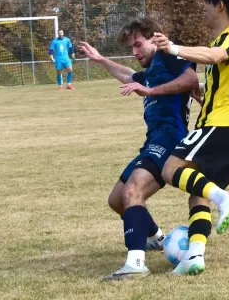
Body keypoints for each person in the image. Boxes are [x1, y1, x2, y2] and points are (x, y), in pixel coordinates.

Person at [78, 17, 202, 280]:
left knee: (133, 190)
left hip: (170, 138)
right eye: (131, 47)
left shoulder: (168, 56)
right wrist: (100, 60)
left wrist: (151, 91)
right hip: (153, 140)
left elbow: (191, 79)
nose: (134, 52)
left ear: (154, 38)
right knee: (116, 200)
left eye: (138, 44)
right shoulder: (153, 69)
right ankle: (156, 237)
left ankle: (135, 263)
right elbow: (128, 75)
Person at [152, 0, 229, 277]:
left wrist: (173, 48)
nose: (203, 9)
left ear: (219, 5)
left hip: (225, 126)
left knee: (170, 169)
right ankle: (195, 255)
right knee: (198, 192)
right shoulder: (223, 41)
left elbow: (215, 56)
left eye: (206, 3)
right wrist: (204, 95)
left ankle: (225, 197)